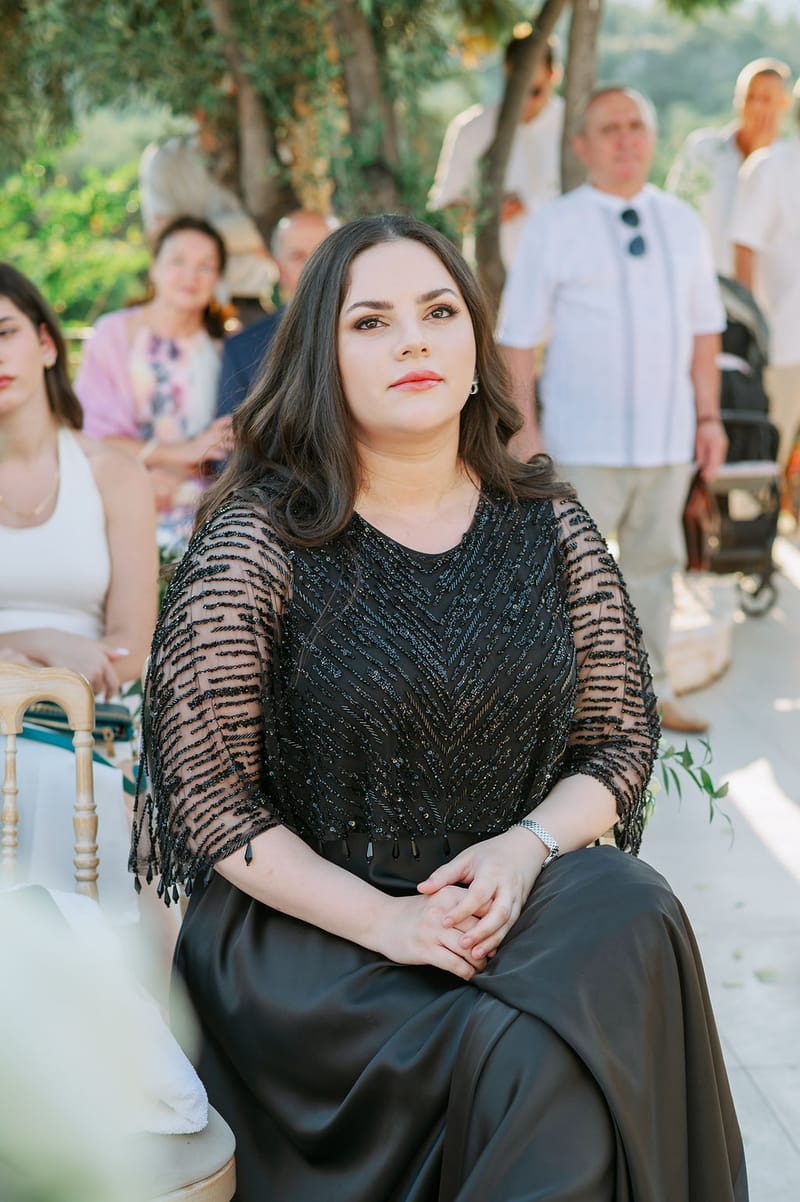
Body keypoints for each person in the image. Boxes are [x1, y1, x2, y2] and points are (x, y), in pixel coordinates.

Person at [131, 214, 747, 1202]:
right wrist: (388, 921)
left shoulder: (547, 523)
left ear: (474, 342)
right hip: (319, 940)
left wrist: (523, 848)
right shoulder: (260, 540)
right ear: (323, 358)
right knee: (544, 1052)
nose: (412, 341)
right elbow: (207, 798)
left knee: (630, 903)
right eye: (371, 322)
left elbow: (617, 741)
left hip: (505, 899)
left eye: (437, 312)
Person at [498, 87, 728, 735]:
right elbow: (517, 339)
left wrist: (709, 418)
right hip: (580, 442)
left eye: (635, 126)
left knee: (657, 570)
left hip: (667, 439)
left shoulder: (682, 221)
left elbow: (705, 331)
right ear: (582, 145)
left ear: (651, 138)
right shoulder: (553, 225)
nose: (625, 138)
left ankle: (651, 694)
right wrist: (525, 433)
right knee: (574, 581)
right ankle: (573, 713)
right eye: (609, 128)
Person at [0, 264, 158, 918]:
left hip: (87, 719)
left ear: (45, 343)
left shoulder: (112, 473)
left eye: (4, 332)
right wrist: (40, 642)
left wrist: (56, 667)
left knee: (67, 780)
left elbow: (132, 648)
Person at [75, 216, 232, 551]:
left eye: (205, 266)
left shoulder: (226, 352)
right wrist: (183, 453)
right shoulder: (112, 334)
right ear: (154, 267)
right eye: (178, 261)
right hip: (117, 502)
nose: (190, 275)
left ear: (218, 278)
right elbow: (89, 435)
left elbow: (230, 443)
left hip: (202, 518)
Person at [428, 33, 563, 268]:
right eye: (516, 87)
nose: (524, 100)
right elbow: (445, 212)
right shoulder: (472, 129)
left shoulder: (577, 127)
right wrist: (486, 213)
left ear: (554, 75)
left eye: (534, 91)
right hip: (492, 278)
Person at [139, 113, 278, 326]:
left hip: (251, 305)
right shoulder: (166, 158)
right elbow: (161, 234)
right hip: (183, 304)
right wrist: (248, 235)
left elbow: (277, 231)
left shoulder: (269, 152)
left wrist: (189, 233)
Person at [731, 78, 800, 476]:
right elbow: (744, 246)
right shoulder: (772, 166)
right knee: (763, 466)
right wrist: (751, 332)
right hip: (783, 347)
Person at [666, 58, 792, 275]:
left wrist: (758, 159)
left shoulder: (788, 169)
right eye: (749, 97)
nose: (756, 107)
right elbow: (673, 213)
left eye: (766, 99)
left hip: (755, 293)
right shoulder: (702, 151)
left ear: (784, 103)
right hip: (700, 280)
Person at [216, 210, 339, 418]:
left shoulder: (376, 329)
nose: (312, 265)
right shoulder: (241, 350)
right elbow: (231, 434)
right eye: (297, 256)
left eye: (323, 253)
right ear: (279, 266)